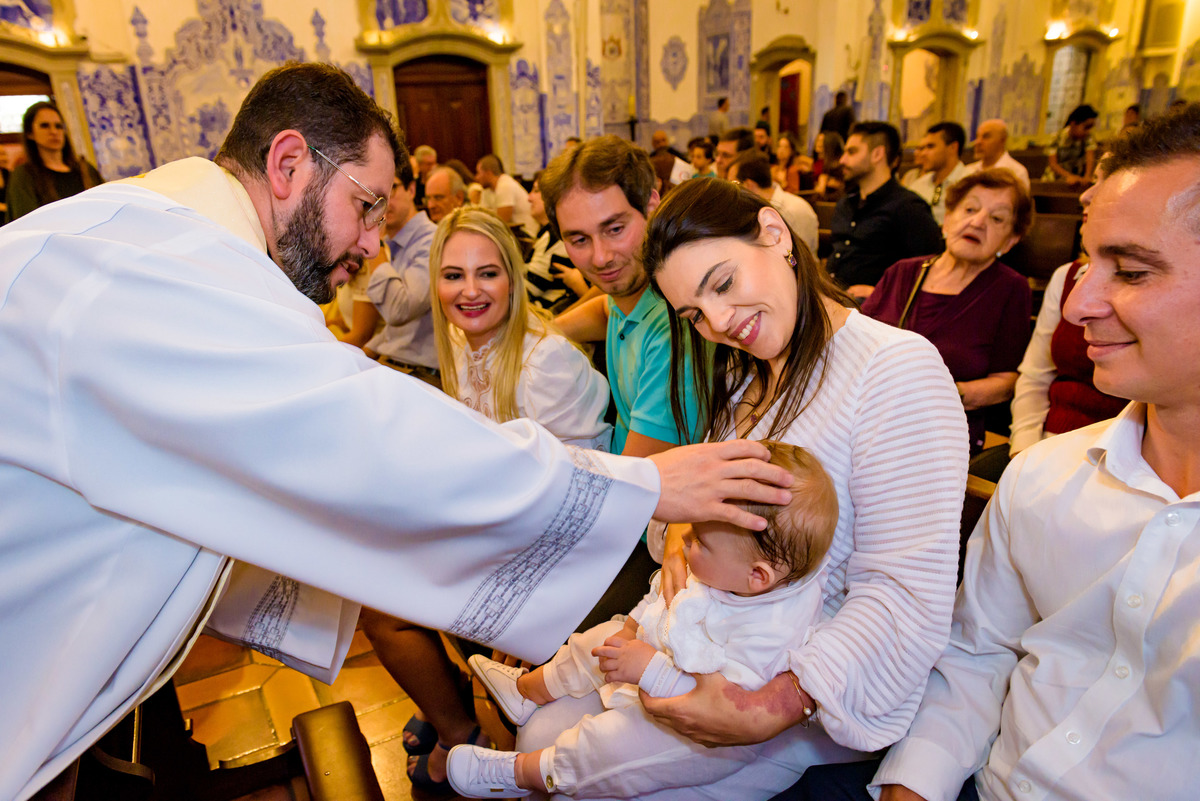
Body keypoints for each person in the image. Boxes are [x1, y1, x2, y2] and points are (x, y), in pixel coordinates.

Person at [0, 63, 798, 801]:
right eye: (368, 204)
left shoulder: (135, 230)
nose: (375, 241)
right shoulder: (175, 269)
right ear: (289, 165)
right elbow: (366, 430)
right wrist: (645, 483)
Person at [793, 100, 1200, 801]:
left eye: (1130, 271)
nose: (1076, 305)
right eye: (1086, 265)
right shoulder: (1045, 478)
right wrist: (911, 788)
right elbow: (975, 658)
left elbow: (1019, 377)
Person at [519, 177, 968, 800]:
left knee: (566, 769)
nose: (722, 322)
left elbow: (903, 593)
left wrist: (772, 703)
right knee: (540, 731)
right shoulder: (741, 381)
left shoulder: (895, 369)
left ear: (775, 234)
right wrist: (678, 531)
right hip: (704, 638)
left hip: (803, 679)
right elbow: (681, 520)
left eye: (723, 283)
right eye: (695, 315)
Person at [362, 207, 613, 792]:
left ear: (512, 278)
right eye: (453, 276)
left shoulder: (542, 359)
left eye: (487, 274)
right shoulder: (461, 340)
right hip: (506, 530)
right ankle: (446, 698)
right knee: (378, 566)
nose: (469, 291)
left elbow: (581, 495)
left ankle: (458, 729)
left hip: (567, 551)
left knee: (385, 611)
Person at [449, 442, 839, 799]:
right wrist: (635, 625)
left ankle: (529, 773)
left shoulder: (773, 629)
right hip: (666, 651)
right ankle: (528, 690)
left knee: (614, 743)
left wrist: (648, 669)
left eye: (699, 541)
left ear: (758, 577)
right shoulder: (734, 567)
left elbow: (720, 703)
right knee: (598, 639)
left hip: (702, 731)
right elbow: (665, 595)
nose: (685, 540)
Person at [546, 134, 707, 630]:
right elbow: (608, 308)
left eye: (615, 228)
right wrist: (543, 334)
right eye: (578, 239)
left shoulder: (674, 326)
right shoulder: (633, 290)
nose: (599, 257)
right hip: (633, 513)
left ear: (653, 204)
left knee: (530, 628)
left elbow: (627, 486)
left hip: (654, 535)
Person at [862, 168, 1033, 454]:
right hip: (869, 419)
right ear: (946, 220)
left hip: (940, 436)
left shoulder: (1011, 289)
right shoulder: (902, 272)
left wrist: (944, 394)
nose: (977, 222)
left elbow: (1006, 382)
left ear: (1010, 241)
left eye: (997, 218)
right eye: (970, 209)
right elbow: (854, 344)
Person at [827, 121, 943, 301]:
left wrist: (879, 292)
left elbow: (930, 271)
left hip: (876, 311)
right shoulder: (845, 204)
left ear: (877, 154)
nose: (843, 160)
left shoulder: (909, 207)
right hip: (834, 299)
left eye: (852, 152)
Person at [365, 152, 440, 385]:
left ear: (411, 189)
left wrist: (373, 241)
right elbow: (394, 334)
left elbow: (399, 310)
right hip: (394, 365)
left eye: (392, 189)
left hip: (422, 374)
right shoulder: (393, 242)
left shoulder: (432, 241)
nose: (382, 203)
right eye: (373, 196)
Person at [4, 101, 101, 223]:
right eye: (45, 126)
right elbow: (27, 221)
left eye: (58, 126)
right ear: (30, 133)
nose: (54, 132)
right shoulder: (24, 175)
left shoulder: (85, 170)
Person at [729, 151, 819, 258]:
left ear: (749, 185)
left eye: (733, 185)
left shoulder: (795, 210)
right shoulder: (746, 211)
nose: (730, 192)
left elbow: (799, 262)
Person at [525, 173, 590, 313]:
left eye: (536, 191)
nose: (529, 198)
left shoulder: (556, 236)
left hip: (548, 313)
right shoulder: (548, 233)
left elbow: (527, 291)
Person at [908, 122, 968, 224]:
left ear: (953, 147)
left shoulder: (971, 183)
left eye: (930, 147)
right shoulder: (918, 185)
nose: (923, 153)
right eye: (923, 148)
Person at [477, 154, 538, 238]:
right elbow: (480, 215)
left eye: (478, 173)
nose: (476, 177)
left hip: (525, 234)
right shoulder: (487, 190)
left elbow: (502, 221)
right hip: (512, 233)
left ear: (488, 173)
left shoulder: (505, 185)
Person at [960, 119, 1030, 188]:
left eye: (986, 136)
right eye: (977, 137)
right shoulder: (968, 171)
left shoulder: (1016, 173)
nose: (977, 142)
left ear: (1002, 140)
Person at [1045, 103, 1098, 185]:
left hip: (1077, 179)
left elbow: (1090, 158)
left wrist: (1087, 176)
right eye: (1086, 127)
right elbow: (1053, 164)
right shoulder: (1057, 137)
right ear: (1073, 124)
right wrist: (1069, 176)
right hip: (1054, 180)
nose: (1088, 131)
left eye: (1091, 127)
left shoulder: (1088, 138)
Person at [812, 132, 845, 200]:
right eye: (818, 140)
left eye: (822, 142)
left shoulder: (840, 166)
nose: (819, 144)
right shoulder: (825, 165)